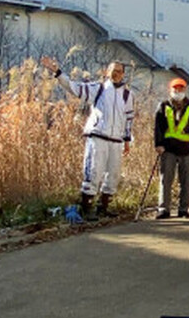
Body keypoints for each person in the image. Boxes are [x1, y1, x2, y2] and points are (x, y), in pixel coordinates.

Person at [42, 57, 134, 219]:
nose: (116, 74)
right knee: (93, 171)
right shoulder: (98, 89)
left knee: (113, 174)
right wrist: (58, 73)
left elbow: (129, 118)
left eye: (120, 71)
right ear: (107, 72)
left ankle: (104, 206)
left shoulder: (127, 95)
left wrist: (127, 140)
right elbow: (75, 88)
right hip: (98, 135)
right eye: (114, 70)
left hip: (116, 140)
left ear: (123, 74)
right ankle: (87, 207)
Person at [154, 78, 189, 219]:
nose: (178, 91)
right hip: (168, 149)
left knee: (186, 181)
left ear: (185, 90)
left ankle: (183, 209)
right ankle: (164, 209)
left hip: (187, 148)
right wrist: (158, 144)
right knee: (166, 180)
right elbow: (158, 127)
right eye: (175, 89)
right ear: (170, 90)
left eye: (181, 88)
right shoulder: (163, 106)